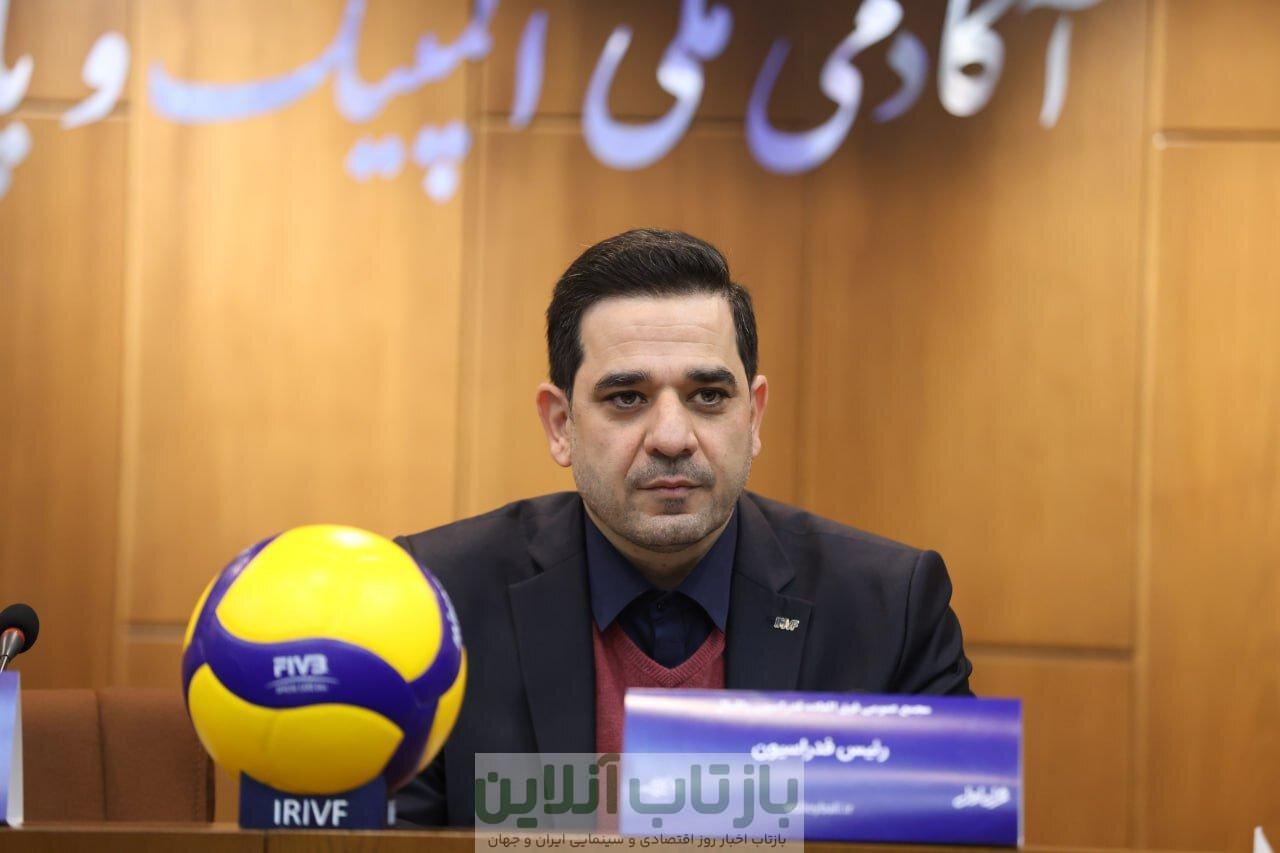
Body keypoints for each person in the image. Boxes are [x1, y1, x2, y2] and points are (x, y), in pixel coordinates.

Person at [394, 228, 972, 826]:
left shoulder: (890, 608)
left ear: (754, 417)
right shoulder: (435, 601)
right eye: (627, 398)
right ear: (561, 424)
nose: (671, 438)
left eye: (708, 396)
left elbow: (950, 830)